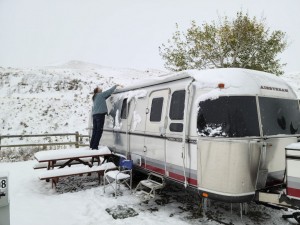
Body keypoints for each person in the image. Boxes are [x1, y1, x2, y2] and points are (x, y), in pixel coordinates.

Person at [89, 84, 120, 150]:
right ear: (97, 91)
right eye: (99, 88)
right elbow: (109, 91)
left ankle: (92, 145)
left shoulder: (95, 97)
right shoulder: (101, 95)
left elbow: (106, 95)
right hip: (100, 115)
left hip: (94, 115)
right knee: (99, 131)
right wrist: (115, 86)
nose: (100, 89)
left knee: (95, 131)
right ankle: (95, 146)